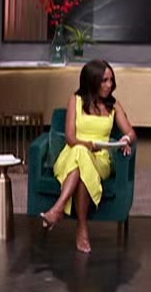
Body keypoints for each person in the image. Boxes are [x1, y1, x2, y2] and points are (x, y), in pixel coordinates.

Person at [40, 59, 136, 254]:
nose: (109, 85)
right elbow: (70, 138)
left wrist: (125, 140)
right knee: (80, 153)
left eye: (111, 80)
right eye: (104, 81)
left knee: (82, 158)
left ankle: (58, 209)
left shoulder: (114, 106)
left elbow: (131, 133)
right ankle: (81, 228)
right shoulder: (75, 101)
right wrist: (89, 145)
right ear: (92, 81)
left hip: (100, 159)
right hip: (72, 154)